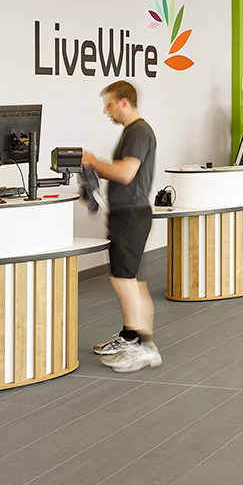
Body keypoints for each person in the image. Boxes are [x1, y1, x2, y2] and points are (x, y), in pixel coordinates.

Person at [83, 80, 161, 372]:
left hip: (131, 215)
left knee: (125, 282)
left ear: (124, 102)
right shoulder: (133, 131)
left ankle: (143, 347)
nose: (107, 111)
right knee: (128, 281)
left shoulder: (139, 131)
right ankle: (131, 338)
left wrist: (93, 162)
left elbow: (126, 173)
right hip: (125, 214)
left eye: (109, 104)